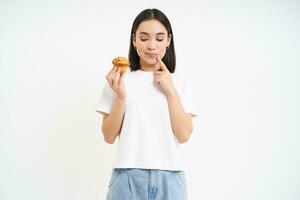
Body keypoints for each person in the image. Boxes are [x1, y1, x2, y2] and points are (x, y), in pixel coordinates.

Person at [95, 8, 198, 200]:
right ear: (134, 40)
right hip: (127, 177)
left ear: (168, 40)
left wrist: (170, 91)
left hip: (171, 177)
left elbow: (183, 135)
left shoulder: (180, 83)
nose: (152, 46)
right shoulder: (118, 80)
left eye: (159, 39)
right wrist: (120, 97)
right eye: (144, 38)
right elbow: (109, 136)